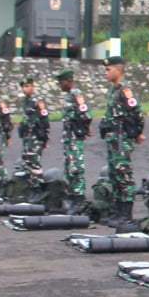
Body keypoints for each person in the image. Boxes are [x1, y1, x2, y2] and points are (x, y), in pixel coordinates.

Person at [99, 55, 145, 230]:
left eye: (108, 69)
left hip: (121, 138)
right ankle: (119, 212)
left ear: (118, 70)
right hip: (113, 138)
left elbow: (138, 113)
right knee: (115, 175)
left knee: (124, 175)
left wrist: (137, 133)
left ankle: (127, 215)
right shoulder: (114, 90)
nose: (106, 72)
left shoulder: (126, 90)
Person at [54, 68, 93, 209]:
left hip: (75, 137)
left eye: (61, 82)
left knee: (76, 167)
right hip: (69, 138)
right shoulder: (69, 96)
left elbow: (86, 115)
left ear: (68, 80)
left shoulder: (77, 95)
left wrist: (83, 129)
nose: (60, 85)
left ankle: (79, 197)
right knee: (69, 167)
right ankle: (72, 195)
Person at [16, 75, 50, 198]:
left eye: (27, 86)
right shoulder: (26, 101)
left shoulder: (37, 101)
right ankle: (31, 187)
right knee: (27, 162)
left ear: (33, 86)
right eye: (23, 87)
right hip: (27, 137)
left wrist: (45, 137)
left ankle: (38, 188)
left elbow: (44, 119)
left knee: (34, 162)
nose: (25, 89)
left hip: (36, 136)